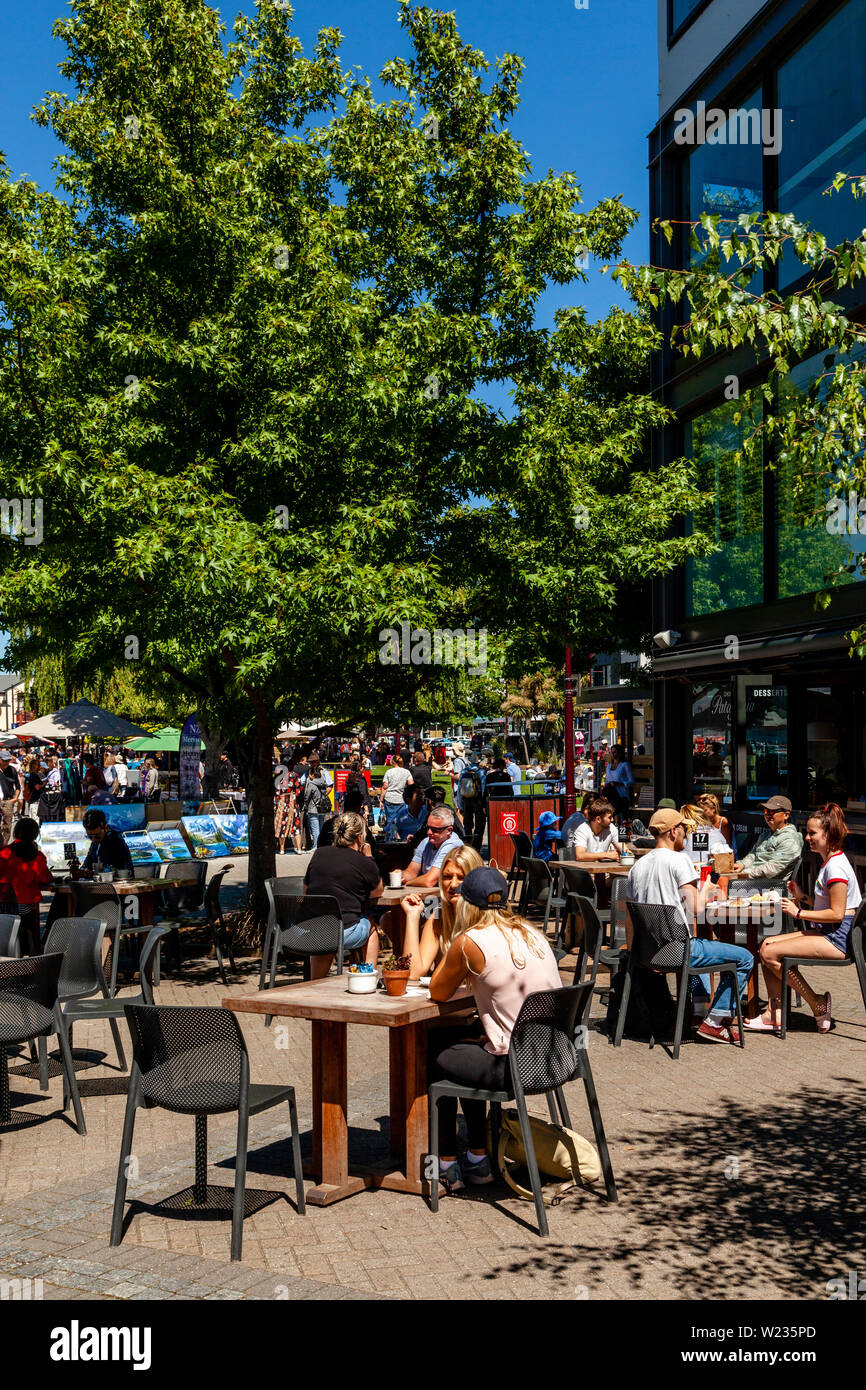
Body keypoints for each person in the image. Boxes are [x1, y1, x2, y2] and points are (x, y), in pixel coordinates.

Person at [428, 866, 562, 1190]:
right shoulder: (533, 933)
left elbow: (437, 991)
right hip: (557, 1057)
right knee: (467, 1046)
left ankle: (446, 1163)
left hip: (516, 1066)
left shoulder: (470, 941)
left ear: (467, 905)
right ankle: (477, 1157)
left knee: (432, 1051)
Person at [626, 808, 753, 1044]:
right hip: (680, 950)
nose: (686, 834)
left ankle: (698, 1012)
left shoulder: (637, 866)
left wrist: (635, 953)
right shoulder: (679, 860)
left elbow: (629, 916)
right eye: (684, 829)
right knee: (744, 957)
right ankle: (714, 1022)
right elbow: (696, 909)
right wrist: (706, 886)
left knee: (702, 950)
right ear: (673, 831)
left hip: (648, 953)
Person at [746, 803, 860, 1034]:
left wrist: (798, 912)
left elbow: (837, 913)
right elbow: (832, 905)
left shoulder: (836, 868)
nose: (807, 837)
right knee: (765, 945)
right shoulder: (831, 861)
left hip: (836, 938)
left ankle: (816, 1003)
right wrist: (803, 897)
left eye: (812, 833)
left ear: (829, 835)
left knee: (769, 952)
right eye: (807, 832)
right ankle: (774, 1013)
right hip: (829, 932)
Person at [302, 812, 382, 978]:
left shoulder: (319, 854)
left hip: (311, 929)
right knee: (371, 927)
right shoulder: (363, 861)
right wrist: (369, 857)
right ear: (360, 838)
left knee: (326, 933)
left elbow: (305, 891)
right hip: (342, 931)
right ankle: (367, 978)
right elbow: (377, 891)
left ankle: (314, 982)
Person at [401, 844, 484, 978]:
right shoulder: (438, 918)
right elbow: (413, 973)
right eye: (447, 877)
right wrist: (412, 916)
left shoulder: (486, 920)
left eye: (461, 877)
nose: (453, 884)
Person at [0, 818, 54, 954]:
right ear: (35, 835)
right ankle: (33, 953)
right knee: (31, 909)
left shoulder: (4, 853)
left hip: (3, 905)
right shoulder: (36, 855)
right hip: (24, 907)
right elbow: (46, 878)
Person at [732, 796, 803, 881]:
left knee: (724, 886)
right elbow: (754, 854)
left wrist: (744, 874)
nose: (768, 815)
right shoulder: (765, 835)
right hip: (751, 880)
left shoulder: (790, 840)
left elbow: (771, 869)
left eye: (772, 811)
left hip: (770, 886)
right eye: (766, 811)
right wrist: (742, 865)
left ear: (786, 815)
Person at [80, 808, 135, 877]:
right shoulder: (95, 843)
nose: (93, 840)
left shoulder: (115, 840)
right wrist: (83, 870)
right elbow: (87, 863)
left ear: (106, 828)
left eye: (97, 836)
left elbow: (115, 866)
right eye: (90, 837)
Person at [573, 798, 620, 863]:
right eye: (609, 817)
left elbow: (621, 848)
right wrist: (606, 855)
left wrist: (627, 853)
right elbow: (580, 856)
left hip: (602, 870)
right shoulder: (582, 830)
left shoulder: (611, 828)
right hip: (583, 871)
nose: (612, 820)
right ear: (598, 819)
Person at [302, 755, 333, 848]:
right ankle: (321, 845)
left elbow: (303, 783)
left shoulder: (322, 772)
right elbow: (329, 786)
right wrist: (322, 797)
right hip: (322, 805)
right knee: (320, 826)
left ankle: (316, 845)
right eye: (310, 762)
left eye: (313, 762)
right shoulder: (311, 772)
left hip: (313, 804)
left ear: (317, 761)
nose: (311, 764)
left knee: (316, 828)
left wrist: (319, 797)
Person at [457, 758, 486, 851]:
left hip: (466, 799)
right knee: (479, 825)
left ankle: (468, 847)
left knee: (468, 825)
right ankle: (477, 848)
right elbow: (484, 788)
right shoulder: (482, 772)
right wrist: (484, 804)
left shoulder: (464, 771)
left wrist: (460, 805)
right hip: (478, 800)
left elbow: (459, 789)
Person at [379, 754, 411, 831]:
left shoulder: (389, 772)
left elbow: (385, 787)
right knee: (400, 820)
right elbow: (411, 784)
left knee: (390, 820)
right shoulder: (406, 772)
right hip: (401, 798)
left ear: (392, 762)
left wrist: (381, 799)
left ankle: (389, 837)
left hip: (390, 798)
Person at [603, 744, 634, 816]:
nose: (612, 754)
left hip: (621, 795)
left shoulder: (625, 765)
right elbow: (607, 780)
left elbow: (631, 781)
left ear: (620, 753)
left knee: (613, 806)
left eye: (614, 752)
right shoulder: (609, 766)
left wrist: (619, 783)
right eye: (611, 752)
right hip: (610, 793)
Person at [0, 748, 22, 846]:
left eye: (8, 760)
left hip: (8, 801)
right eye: (4, 760)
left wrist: (15, 798)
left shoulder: (12, 770)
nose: (6, 763)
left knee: (7, 826)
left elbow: (18, 786)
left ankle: (4, 846)